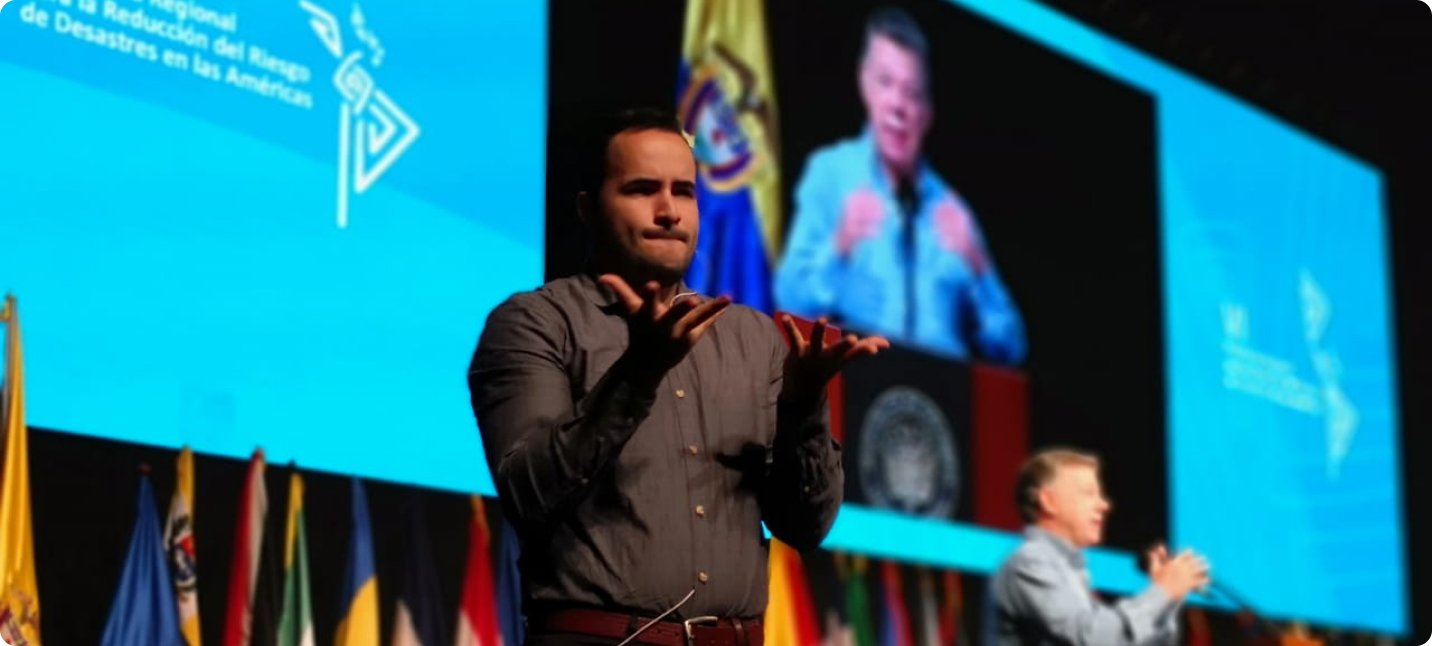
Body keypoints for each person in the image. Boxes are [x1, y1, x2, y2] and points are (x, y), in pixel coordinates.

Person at [469, 108, 889, 646]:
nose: (669, 211)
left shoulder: (753, 337)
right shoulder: (535, 323)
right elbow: (528, 492)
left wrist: (803, 406)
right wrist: (637, 373)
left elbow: (805, 527)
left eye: (684, 192)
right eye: (642, 189)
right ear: (588, 208)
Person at [773, 7, 1026, 364]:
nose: (898, 105)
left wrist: (978, 265)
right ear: (864, 84)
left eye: (912, 92)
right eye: (886, 83)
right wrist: (840, 245)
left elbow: (1011, 346)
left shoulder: (952, 210)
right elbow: (788, 302)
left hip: (942, 407)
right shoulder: (830, 174)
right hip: (852, 389)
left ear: (927, 111)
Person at [989, 449, 1211, 645]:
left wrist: (1169, 598)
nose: (1104, 505)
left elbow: (1124, 640)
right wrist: (1162, 591)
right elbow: (1093, 639)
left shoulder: (1069, 569)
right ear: (1049, 501)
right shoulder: (1030, 561)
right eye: (1088, 493)